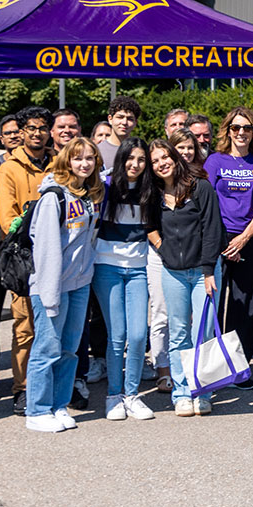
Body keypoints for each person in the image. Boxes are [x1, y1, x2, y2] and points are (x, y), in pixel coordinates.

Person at [21, 138, 103, 432]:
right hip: (50, 287)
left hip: (79, 284)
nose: (85, 163)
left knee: (69, 349)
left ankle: (58, 405)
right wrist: (50, 294)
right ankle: (37, 410)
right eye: (79, 158)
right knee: (47, 349)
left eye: (90, 158)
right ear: (67, 160)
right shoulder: (53, 197)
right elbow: (46, 249)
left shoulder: (85, 195)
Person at [148, 135, 221, 416]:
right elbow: (149, 226)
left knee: (201, 332)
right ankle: (181, 392)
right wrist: (163, 249)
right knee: (178, 334)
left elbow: (212, 229)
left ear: (174, 157)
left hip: (204, 272)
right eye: (155, 161)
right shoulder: (153, 193)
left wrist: (207, 270)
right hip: (173, 273)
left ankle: (202, 391)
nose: (161, 164)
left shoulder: (199, 187)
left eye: (165, 157)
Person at [204, 107, 253, 383]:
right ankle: (210, 370)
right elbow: (206, 203)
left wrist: (243, 239)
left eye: (247, 128)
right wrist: (224, 241)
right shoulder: (215, 161)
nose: (242, 133)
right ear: (228, 131)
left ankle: (238, 368)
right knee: (213, 304)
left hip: (248, 240)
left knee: (244, 307)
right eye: (236, 128)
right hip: (217, 240)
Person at [93, 138, 157, 420]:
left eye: (142, 160)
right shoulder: (105, 185)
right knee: (117, 335)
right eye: (131, 158)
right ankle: (114, 395)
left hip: (138, 268)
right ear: (121, 159)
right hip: (106, 266)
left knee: (139, 334)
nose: (136, 164)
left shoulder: (149, 190)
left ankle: (132, 395)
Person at [0, 107, 54, 403]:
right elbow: (8, 217)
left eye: (42, 128)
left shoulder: (58, 163)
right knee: (25, 326)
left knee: (55, 324)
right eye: (30, 128)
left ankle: (53, 385)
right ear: (21, 132)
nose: (36, 133)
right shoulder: (9, 167)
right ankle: (23, 387)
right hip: (25, 257)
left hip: (58, 256)